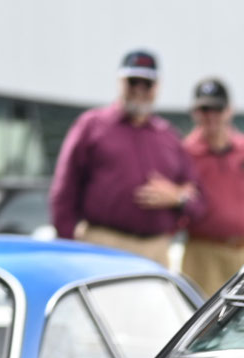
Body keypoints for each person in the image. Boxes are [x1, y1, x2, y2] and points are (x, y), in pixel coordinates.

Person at [47, 49, 200, 269]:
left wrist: (177, 197)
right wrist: (69, 247)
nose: (139, 89)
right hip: (103, 244)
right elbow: (64, 191)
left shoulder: (169, 136)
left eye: (147, 83)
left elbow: (198, 199)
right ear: (120, 82)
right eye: (133, 81)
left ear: (157, 87)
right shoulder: (92, 126)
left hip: (156, 250)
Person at [179, 77, 244, 295]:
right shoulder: (186, 152)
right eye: (205, 110)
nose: (211, 116)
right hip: (205, 252)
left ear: (229, 111)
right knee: (202, 310)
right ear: (195, 113)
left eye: (217, 109)